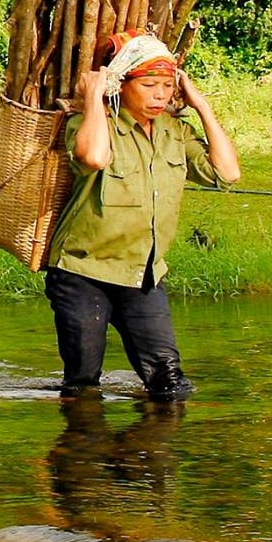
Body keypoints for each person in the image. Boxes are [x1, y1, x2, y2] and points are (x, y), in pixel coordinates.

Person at [46, 29, 240, 400]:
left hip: (143, 274)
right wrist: (94, 100)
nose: (159, 95)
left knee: (169, 383)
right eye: (149, 84)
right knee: (84, 384)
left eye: (167, 86)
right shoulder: (92, 123)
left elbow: (227, 174)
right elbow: (93, 157)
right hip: (83, 271)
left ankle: (153, 455)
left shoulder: (175, 133)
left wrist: (202, 106)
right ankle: (81, 454)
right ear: (122, 84)